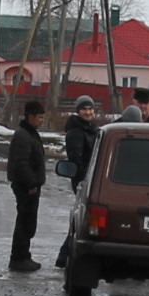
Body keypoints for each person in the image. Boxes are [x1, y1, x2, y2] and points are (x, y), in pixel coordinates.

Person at [54, 96, 100, 262]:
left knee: (84, 217)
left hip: (92, 179)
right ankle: (65, 254)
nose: (88, 112)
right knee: (83, 217)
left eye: (90, 109)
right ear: (78, 111)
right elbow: (76, 158)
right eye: (84, 109)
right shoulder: (75, 132)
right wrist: (85, 178)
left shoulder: (92, 129)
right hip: (83, 181)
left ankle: (64, 255)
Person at [6, 101, 47, 273]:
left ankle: (24, 254)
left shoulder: (30, 133)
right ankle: (18, 258)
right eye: (39, 117)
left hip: (30, 186)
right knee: (24, 222)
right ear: (30, 116)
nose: (41, 121)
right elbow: (21, 164)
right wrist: (31, 183)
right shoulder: (23, 135)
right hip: (26, 187)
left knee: (28, 221)